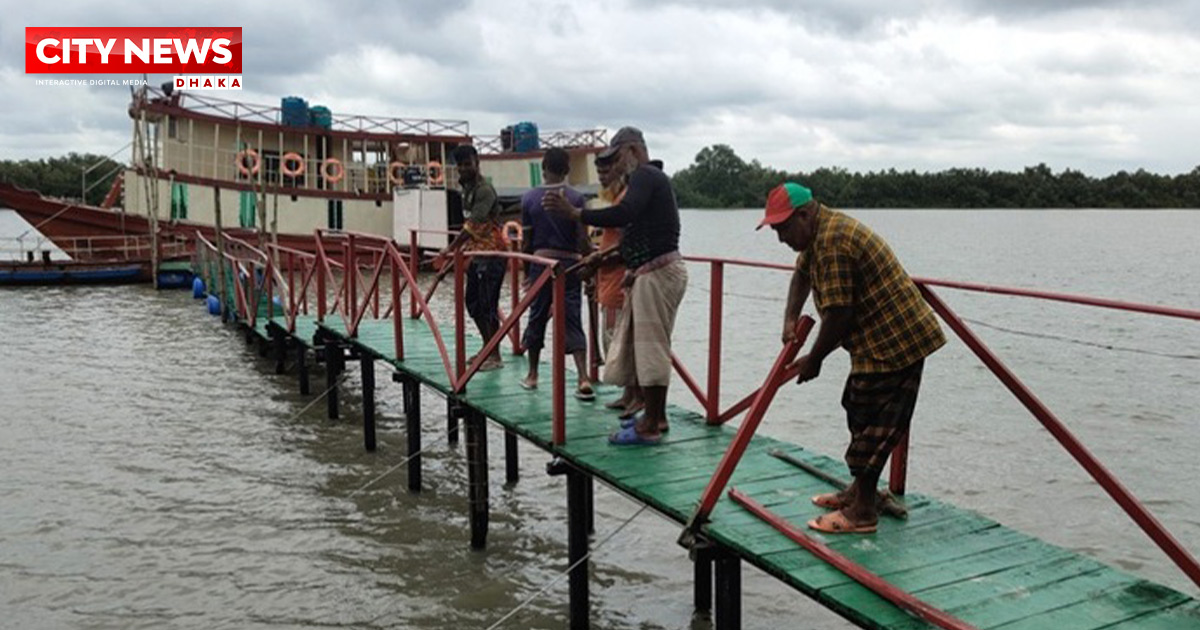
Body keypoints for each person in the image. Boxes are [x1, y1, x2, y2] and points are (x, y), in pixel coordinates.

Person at [760, 182, 945, 534]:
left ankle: (862, 513)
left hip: (896, 339)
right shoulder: (819, 233)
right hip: (874, 340)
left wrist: (814, 359)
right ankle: (863, 492)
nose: (780, 238)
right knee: (857, 407)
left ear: (804, 214)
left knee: (873, 421)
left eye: (783, 228)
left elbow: (839, 315)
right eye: (775, 230)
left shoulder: (832, 242)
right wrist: (789, 319)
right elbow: (802, 273)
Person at [545, 126, 686, 446]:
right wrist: (611, 261)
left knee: (652, 348)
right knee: (645, 345)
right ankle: (652, 417)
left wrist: (576, 213)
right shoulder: (649, 181)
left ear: (633, 151)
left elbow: (625, 213)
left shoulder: (646, 177)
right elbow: (636, 233)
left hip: (659, 272)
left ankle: (651, 422)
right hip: (649, 271)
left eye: (616, 158)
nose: (615, 166)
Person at [518, 148, 595, 399]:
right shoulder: (577, 199)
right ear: (568, 170)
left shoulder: (529, 199)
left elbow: (526, 242)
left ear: (543, 167)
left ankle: (532, 374)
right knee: (572, 317)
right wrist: (589, 263)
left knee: (537, 315)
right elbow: (582, 240)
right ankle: (583, 377)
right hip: (569, 265)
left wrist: (526, 271)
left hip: (540, 261)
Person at [581, 151, 643, 416]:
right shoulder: (611, 200)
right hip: (606, 281)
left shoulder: (625, 202)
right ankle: (627, 394)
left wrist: (599, 261)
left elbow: (626, 246)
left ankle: (636, 396)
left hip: (619, 282)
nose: (603, 178)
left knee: (621, 342)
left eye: (607, 172)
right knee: (614, 341)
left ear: (619, 170)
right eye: (600, 173)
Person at [436, 144, 507, 371]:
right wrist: (451, 260)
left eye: (468, 164)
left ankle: (495, 355)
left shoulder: (484, 190)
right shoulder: (465, 189)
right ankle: (488, 347)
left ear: (477, 163)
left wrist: (450, 249)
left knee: (488, 305)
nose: (464, 169)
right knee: (473, 304)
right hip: (477, 253)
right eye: (460, 165)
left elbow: (473, 224)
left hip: (493, 253)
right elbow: (471, 231)